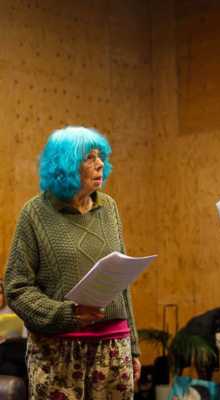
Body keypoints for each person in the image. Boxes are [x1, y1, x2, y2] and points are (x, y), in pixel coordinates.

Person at [5, 126, 141, 399]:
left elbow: (121, 285)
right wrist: (67, 315)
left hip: (114, 349)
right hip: (58, 352)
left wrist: (134, 347)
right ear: (66, 165)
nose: (100, 163)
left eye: (100, 155)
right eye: (89, 157)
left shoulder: (109, 208)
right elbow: (16, 287)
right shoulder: (35, 213)